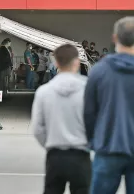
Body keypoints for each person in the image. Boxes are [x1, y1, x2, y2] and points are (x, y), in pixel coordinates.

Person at [84, 16, 134, 194]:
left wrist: (93, 140)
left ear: (114, 38)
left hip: (107, 146)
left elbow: (89, 112)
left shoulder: (99, 71)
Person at [31, 44, 90, 194]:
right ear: (77, 62)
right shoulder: (88, 89)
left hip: (55, 155)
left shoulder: (43, 92)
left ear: (56, 62)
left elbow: (37, 128)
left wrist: (51, 144)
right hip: (81, 155)